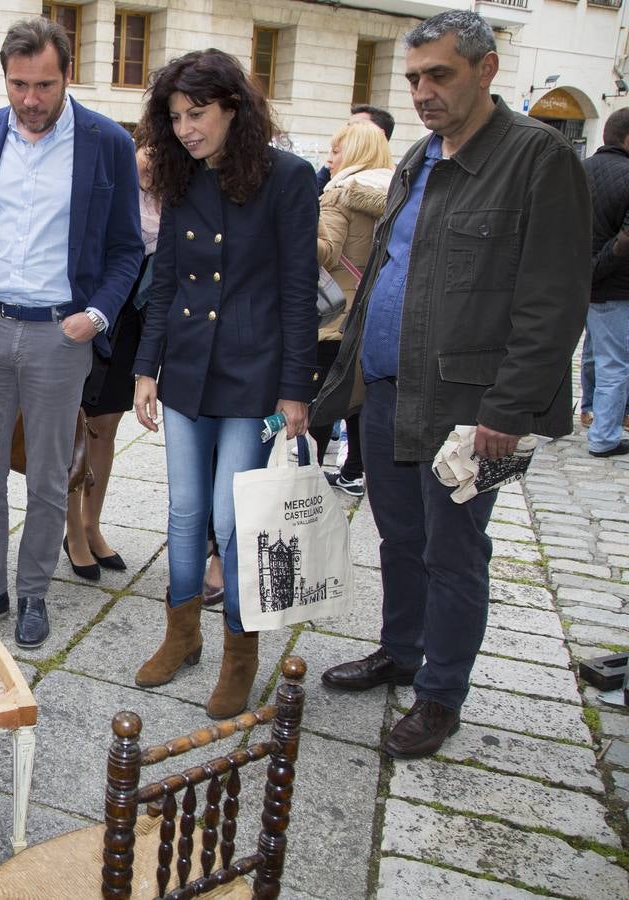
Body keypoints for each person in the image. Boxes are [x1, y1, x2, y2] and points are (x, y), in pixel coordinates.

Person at [313, 11, 589, 759]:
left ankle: (440, 696)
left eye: (440, 75)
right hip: (389, 391)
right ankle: (400, 652)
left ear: (486, 69)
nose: (424, 92)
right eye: (413, 79)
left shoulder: (539, 160)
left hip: (476, 411)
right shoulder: (419, 157)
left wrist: (510, 409)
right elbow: (385, 274)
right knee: (399, 538)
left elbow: (555, 301)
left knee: (456, 550)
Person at [0, 17, 142, 649]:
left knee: (49, 476)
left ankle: (33, 594)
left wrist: (97, 315)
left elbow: (127, 250)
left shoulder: (107, 143)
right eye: (18, 84)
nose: (30, 99)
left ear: (66, 75)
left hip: (60, 335)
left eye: (43, 85)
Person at [131, 49, 318, 718]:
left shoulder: (289, 178)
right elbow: (165, 280)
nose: (185, 129)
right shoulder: (181, 179)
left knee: (233, 520)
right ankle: (182, 637)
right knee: (184, 513)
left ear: (234, 108)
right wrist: (146, 368)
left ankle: (241, 653)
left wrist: (295, 388)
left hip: (250, 376)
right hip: (183, 370)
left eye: (198, 114)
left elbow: (299, 290)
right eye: (175, 117)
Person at [63, 139, 157, 582]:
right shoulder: (111, 190)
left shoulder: (174, 200)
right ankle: (71, 531)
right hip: (91, 314)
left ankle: (91, 523)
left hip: (134, 322)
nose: (153, 161)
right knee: (75, 426)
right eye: (149, 149)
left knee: (108, 424)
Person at [307, 121, 394, 496]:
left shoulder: (341, 192)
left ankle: (307, 475)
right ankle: (355, 471)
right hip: (379, 310)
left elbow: (325, 251)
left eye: (337, 150)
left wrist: (295, 234)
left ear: (355, 152)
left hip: (337, 311)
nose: (330, 157)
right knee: (362, 396)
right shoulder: (398, 190)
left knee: (323, 396)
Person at [583, 108, 629, 457]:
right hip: (613, 284)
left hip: (576, 281)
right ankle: (604, 436)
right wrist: (597, 269)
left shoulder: (579, 170)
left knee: (590, 353)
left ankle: (585, 411)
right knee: (613, 363)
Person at [316, 103, 395, 194]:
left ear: (379, 134)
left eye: (357, 126)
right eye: (348, 126)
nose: (348, 131)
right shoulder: (333, 168)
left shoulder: (393, 182)